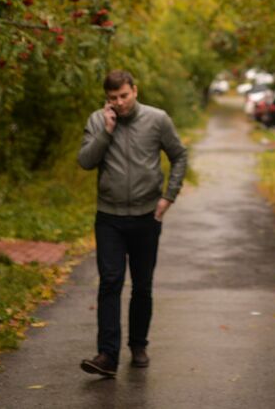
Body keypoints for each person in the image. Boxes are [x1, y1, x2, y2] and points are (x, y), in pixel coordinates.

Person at [75, 69, 188, 376]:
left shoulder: (157, 119)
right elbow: (85, 161)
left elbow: (179, 155)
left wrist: (169, 197)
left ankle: (138, 345)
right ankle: (107, 356)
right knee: (110, 282)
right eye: (113, 98)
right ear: (106, 99)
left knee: (142, 286)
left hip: (146, 216)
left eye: (124, 96)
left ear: (135, 91)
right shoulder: (99, 120)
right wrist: (106, 131)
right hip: (109, 217)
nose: (120, 102)